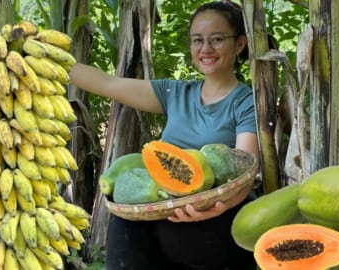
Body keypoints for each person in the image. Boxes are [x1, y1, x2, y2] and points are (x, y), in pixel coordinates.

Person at [69, 1, 259, 269]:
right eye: (197, 40)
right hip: (164, 206)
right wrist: (46, 58)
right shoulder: (174, 93)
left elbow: (244, 172)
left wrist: (219, 205)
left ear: (239, 44)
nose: (205, 49)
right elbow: (106, 83)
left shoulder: (247, 101)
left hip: (221, 213)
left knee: (175, 236)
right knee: (123, 228)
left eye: (217, 39)